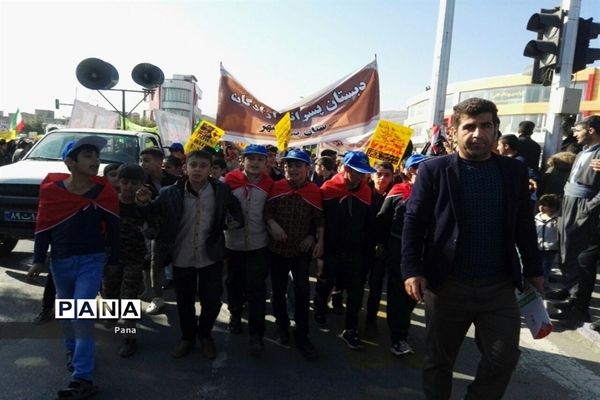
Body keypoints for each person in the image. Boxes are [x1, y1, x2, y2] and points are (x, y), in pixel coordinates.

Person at [401, 98, 543, 400]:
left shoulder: (514, 172)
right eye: (470, 127)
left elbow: (524, 225)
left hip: (499, 286)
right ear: (455, 131)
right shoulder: (434, 171)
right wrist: (412, 269)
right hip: (447, 286)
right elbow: (414, 222)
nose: (478, 133)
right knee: (440, 360)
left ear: (496, 130)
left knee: (503, 358)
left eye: (486, 126)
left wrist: (534, 269)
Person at [28, 136, 120, 399]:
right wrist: (37, 259)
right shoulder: (52, 192)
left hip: (92, 260)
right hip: (61, 262)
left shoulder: (103, 192)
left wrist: (114, 260)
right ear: (70, 162)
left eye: (96, 155)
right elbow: (43, 228)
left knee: (81, 314)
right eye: (88, 155)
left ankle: (82, 376)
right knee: (65, 312)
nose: (96, 160)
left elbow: (114, 227)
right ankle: (73, 349)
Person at [135, 150, 243, 360]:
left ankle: (205, 336)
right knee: (184, 300)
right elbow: (149, 214)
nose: (198, 169)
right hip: (181, 254)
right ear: (185, 168)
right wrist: (142, 202)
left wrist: (234, 221)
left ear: (211, 170)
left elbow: (235, 211)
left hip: (210, 254)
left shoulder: (221, 190)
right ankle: (187, 338)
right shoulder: (169, 192)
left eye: (203, 166)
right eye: (193, 165)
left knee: (212, 300)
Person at [265, 148, 323, 360]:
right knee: (278, 291)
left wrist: (315, 238)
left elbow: (319, 220)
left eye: (298, 165)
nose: (293, 169)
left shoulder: (315, 191)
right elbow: (267, 212)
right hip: (277, 250)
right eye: (289, 164)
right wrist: (272, 224)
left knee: (301, 292)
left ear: (307, 168)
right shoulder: (276, 187)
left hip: (301, 251)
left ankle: (302, 335)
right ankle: (281, 326)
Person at [315, 151, 376, 350]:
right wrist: (320, 244)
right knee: (325, 281)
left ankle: (351, 329)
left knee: (356, 291)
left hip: (355, 251)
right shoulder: (328, 188)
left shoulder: (367, 192)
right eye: (358, 171)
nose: (362, 176)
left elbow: (369, 224)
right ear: (347, 169)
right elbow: (319, 219)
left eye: (365, 172)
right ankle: (319, 310)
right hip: (331, 248)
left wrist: (369, 250)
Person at [548, 116, 600, 328]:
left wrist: (589, 207)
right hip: (570, 202)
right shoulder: (581, 152)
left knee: (582, 255)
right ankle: (570, 289)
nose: (575, 133)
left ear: (591, 130)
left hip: (584, 206)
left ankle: (578, 305)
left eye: (578, 129)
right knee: (566, 249)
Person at [224, 144, 273, 356]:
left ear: (266, 163)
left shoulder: (271, 185)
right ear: (242, 160)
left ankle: (256, 335)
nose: (255, 163)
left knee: (256, 289)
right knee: (233, 283)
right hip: (232, 244)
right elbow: (220, 207)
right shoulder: (229, 181)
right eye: (251, 158)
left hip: (258, 245)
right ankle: (235, 315)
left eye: (260, 159)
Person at [101, 163, 148, 358]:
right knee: (109, 293)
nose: (129, 186)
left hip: (134, 259)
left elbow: (154, 230)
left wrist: (148, 224)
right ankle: (113, 323)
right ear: (118, 182)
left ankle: (129, 338)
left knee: (129, 299)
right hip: (111, 258)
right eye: (125, 182)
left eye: (134, 183)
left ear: (141, 184)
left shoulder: (144, 206)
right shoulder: (109, 203)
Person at [534, 194, 560, 287]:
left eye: (544, 205)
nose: (541, 207)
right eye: (540, 204)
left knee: (547, 267)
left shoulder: (558, 219)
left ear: (553, 208)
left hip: (551, 248)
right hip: (538, 246)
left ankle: (544, 284)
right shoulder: (537, 217)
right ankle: (539, 282)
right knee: (538, 266)